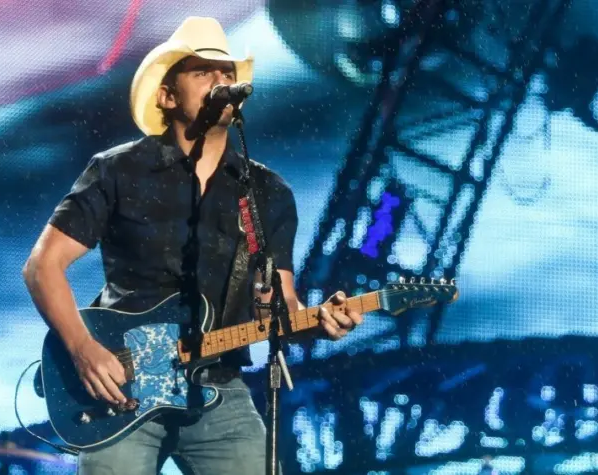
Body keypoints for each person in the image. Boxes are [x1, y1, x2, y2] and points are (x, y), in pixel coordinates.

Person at [22, 16, 363, 474]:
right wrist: (84, 351)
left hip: (218, 387)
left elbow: (279, 305)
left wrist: (317, 324)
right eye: (203, 72)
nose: (221, 82)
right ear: (167, 95)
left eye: (228, 74)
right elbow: (42, 267)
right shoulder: (117, 171)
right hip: (123, 390)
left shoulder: (265, 193)